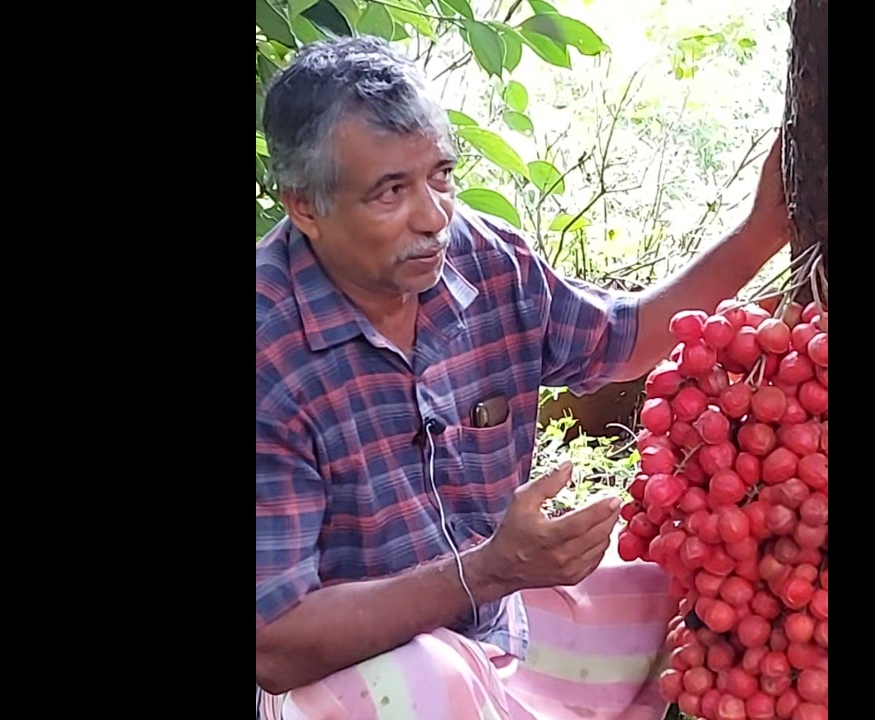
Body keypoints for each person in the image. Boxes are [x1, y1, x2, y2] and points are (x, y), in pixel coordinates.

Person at [256, 36, 791, 720]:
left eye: (441, 175)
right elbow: (274, 643)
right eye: (390, 192)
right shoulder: (270, 355)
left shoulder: (485, 261)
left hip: (495, 625)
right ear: (304, 207)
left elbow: (622, 344)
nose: (432, 217)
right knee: (431, 678)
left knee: (694, 586)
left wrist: (759, 234)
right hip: (343, 678)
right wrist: (487, 570)